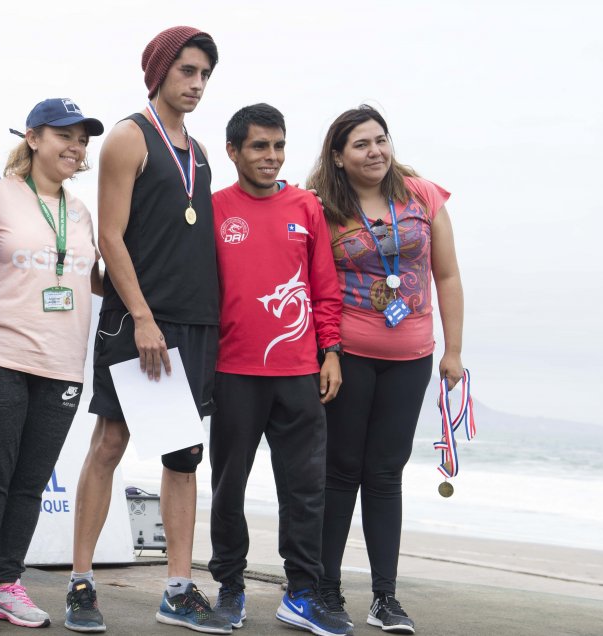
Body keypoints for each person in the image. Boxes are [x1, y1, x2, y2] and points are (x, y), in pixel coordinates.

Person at [66, 26, 232, 635]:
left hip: (194, 322)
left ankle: (179, 588)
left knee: (183, 455)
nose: (196, 84)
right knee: (109, 444)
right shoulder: (129, 138)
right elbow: (111, 236)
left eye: (205, 75)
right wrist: (140, 317)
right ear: (160, 71)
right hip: (139, 321)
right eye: (187, 71)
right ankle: (82, 581)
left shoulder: (202, 153)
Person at [306, 105, 465, 635]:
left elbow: (446, 275)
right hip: (347, 357)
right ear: (338, 156)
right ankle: (326, 592)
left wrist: (453, 352)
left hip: (413, 358)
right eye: (360, 144)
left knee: (384, 475)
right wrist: (324, 351)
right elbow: (312, 285)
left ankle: (384, 598)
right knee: (340, 472)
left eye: (381, 140)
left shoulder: (421, 195)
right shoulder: (322, 207)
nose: (375, 151)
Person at [0, 98, 104, 632]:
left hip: (63, 362)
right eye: (65, 135)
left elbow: (92, 275)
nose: (76, 146)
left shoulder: (81, 211)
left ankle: (7, 583)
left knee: (31, 481)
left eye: (83, 139)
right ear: (34, 138)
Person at [207, 104, 349, 636]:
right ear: (234, 152)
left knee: (305, 490)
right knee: (228, 487)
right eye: (259, 147)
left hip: (297, 372)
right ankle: (230, 588)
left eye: (278, 146)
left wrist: (330, 350)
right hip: (234, 370)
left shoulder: (305, 206)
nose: (271, 157)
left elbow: (324, 286)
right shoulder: (216, 207)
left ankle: (302, 594)